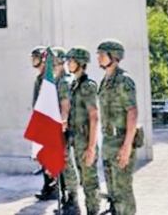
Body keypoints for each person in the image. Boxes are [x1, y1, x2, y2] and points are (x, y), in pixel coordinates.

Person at [96, 40, 138, 214]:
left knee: (123, 191)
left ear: (114, 57)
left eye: (102, 54)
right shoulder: (105, 81)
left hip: (121, 140)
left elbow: (132, 112)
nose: (98, 57)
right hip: (108, 141)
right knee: (112, 191)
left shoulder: (124, 80)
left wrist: (127, 146)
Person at [32, 46, 74, 202]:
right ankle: (55, 191)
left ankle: (67, 198)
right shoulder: (50, 80)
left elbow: (64, 106)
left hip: (60, 128)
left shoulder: (60, 81)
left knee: (65, 166)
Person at [65, 46, 99, 215]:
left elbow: (94, 116)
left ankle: (93, 211)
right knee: (81, 179)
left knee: (89, 182)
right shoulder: (74, 85)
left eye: (71, 60)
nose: (68, 63)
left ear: (81, 63)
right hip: (75, 139)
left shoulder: (88, 86)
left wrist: (91, 147)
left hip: (85, 141)